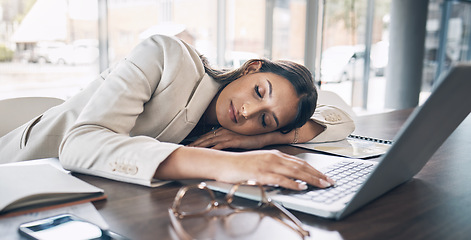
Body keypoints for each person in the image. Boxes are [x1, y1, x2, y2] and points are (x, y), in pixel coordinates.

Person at [0, 34, 354, 191]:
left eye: (264, 117)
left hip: (92, 199)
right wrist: (231, 164)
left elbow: (341, 114)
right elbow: (80, 145)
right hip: (18, 180)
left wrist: (267, 137)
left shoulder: (242, 129)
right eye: (260, 91)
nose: (246, 112)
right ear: (251, 68)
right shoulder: (167, 57)